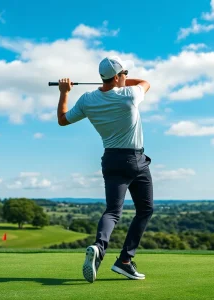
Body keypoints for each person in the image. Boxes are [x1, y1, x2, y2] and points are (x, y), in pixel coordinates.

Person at [57, 56, 154, 283]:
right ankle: (125, 261)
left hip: (111, 159)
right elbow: (146, 82)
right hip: (135, 159)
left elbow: (62, 120)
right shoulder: (130, 95)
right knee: (145, 209)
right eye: (125, 73)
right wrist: (123, 81)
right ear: (119, 76)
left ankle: (99, 247)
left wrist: (64, 91)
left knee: (112, 211)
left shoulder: (88, 100)